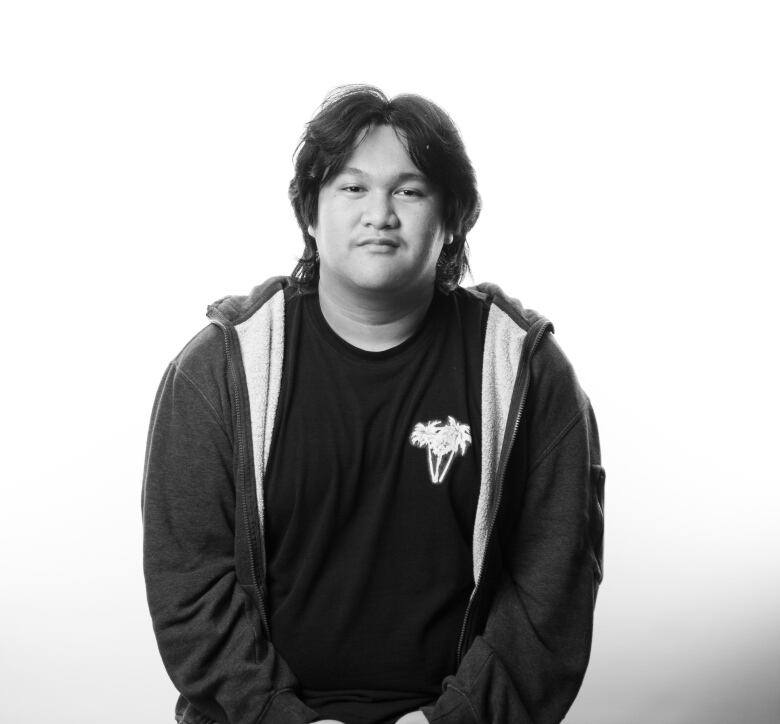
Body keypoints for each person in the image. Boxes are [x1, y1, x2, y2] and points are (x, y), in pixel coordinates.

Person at [142, 84, 605, 724]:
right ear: (310, 211)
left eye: (410, 191)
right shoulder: (221, 370)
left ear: (454, 219)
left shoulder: (525, 371)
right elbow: (188, 586)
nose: (379, 213)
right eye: (352, 188)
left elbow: (553, 591)